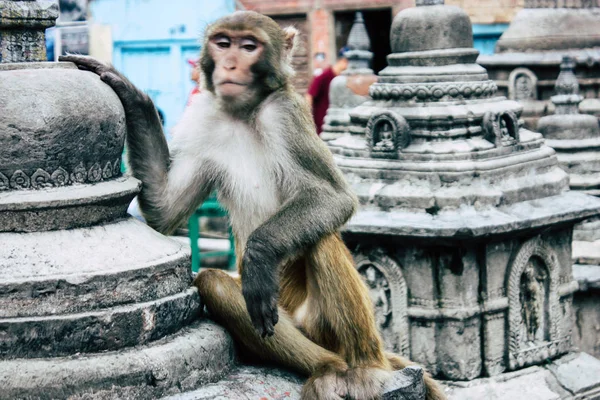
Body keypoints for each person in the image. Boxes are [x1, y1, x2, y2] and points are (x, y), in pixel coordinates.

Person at [305, 47, 349, 135]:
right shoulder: (324, 76)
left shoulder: (343, 78)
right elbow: (309, 96)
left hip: (336, 122)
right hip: (321, 125)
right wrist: (308, 119)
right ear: (344, 61)